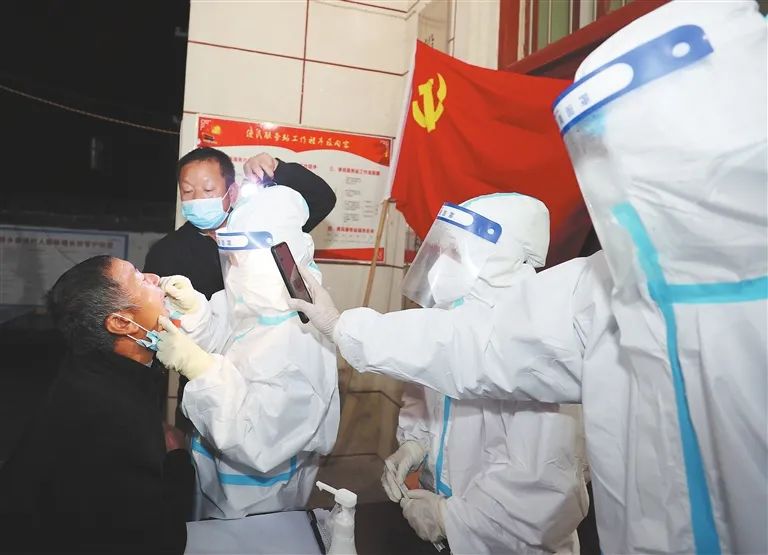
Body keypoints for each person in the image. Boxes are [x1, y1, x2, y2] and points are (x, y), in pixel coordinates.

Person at [289, 2, 768, 553]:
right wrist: (347, 330)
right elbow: (477, 345)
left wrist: (453, 519)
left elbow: (545, 485)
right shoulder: (603, 292)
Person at [380, 193, 588, 553]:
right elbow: (429, 401)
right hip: (444, 531)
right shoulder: (452, 322)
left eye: (455, 251)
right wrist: (416, 445)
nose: (441, 261)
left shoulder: (538, 344)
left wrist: (449, 517)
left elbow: (544, 490)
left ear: (497, 257)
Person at [155, 183, 340, 519]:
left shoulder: (301, 338)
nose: (236, 267)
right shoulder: (255, 302)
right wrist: (195, 311)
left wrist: (201, 369)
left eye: (243, 257)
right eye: (232, 258)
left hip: (259, 501)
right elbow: (221, 332)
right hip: (212, 478)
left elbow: (254, 440)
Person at [0, 255, 195, 554]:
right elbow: (160, 543)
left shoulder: (93, 367)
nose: (155, 278)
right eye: (140, 279)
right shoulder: (115, 418)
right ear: (121, 323)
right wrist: (178, 460)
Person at [143, 148, 336, 299]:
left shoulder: (263, 228)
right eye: (187, 191)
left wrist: (276, 169)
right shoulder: (165, 253)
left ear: (233, 192)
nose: (198, 198)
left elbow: (322, 199)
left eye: (208, 189)